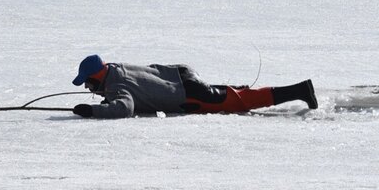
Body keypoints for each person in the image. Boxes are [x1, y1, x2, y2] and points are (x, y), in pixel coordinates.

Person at [70, 54, 318, 119]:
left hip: (186, 94)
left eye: (88, 83)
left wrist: (92, 111)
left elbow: (125, 107)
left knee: (240, 102)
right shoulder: (116, 69)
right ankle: (297, 90)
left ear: (97, 76)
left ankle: (300, 91)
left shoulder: (115, 84)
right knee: (236, 94)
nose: (88, 88)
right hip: (180, 75)